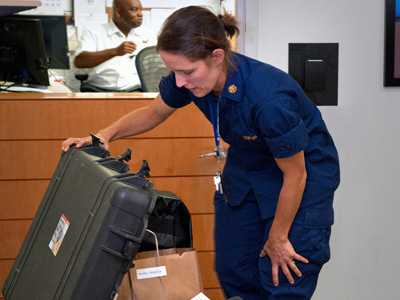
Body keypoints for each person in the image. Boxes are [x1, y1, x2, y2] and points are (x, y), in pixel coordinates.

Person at [63, 6, 340, 300]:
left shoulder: (268, 100)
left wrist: (279, 236)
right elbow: (155, 111)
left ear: (217, 56)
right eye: (174, 72)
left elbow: (296, 174)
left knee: (281, 278)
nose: (179, 82)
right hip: (248, 171)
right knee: (235, 271)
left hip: (298, 184)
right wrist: (105, 135)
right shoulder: (194, 78)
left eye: (186, 72)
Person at [74, 0, 149, 92]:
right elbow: (79, 61)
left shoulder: (147, 35)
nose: (140, 14)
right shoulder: (94, 32)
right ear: (118, 13)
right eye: (134, 10)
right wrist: (115, 52)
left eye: (141, 10)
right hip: (99, 91)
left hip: (136, 91)